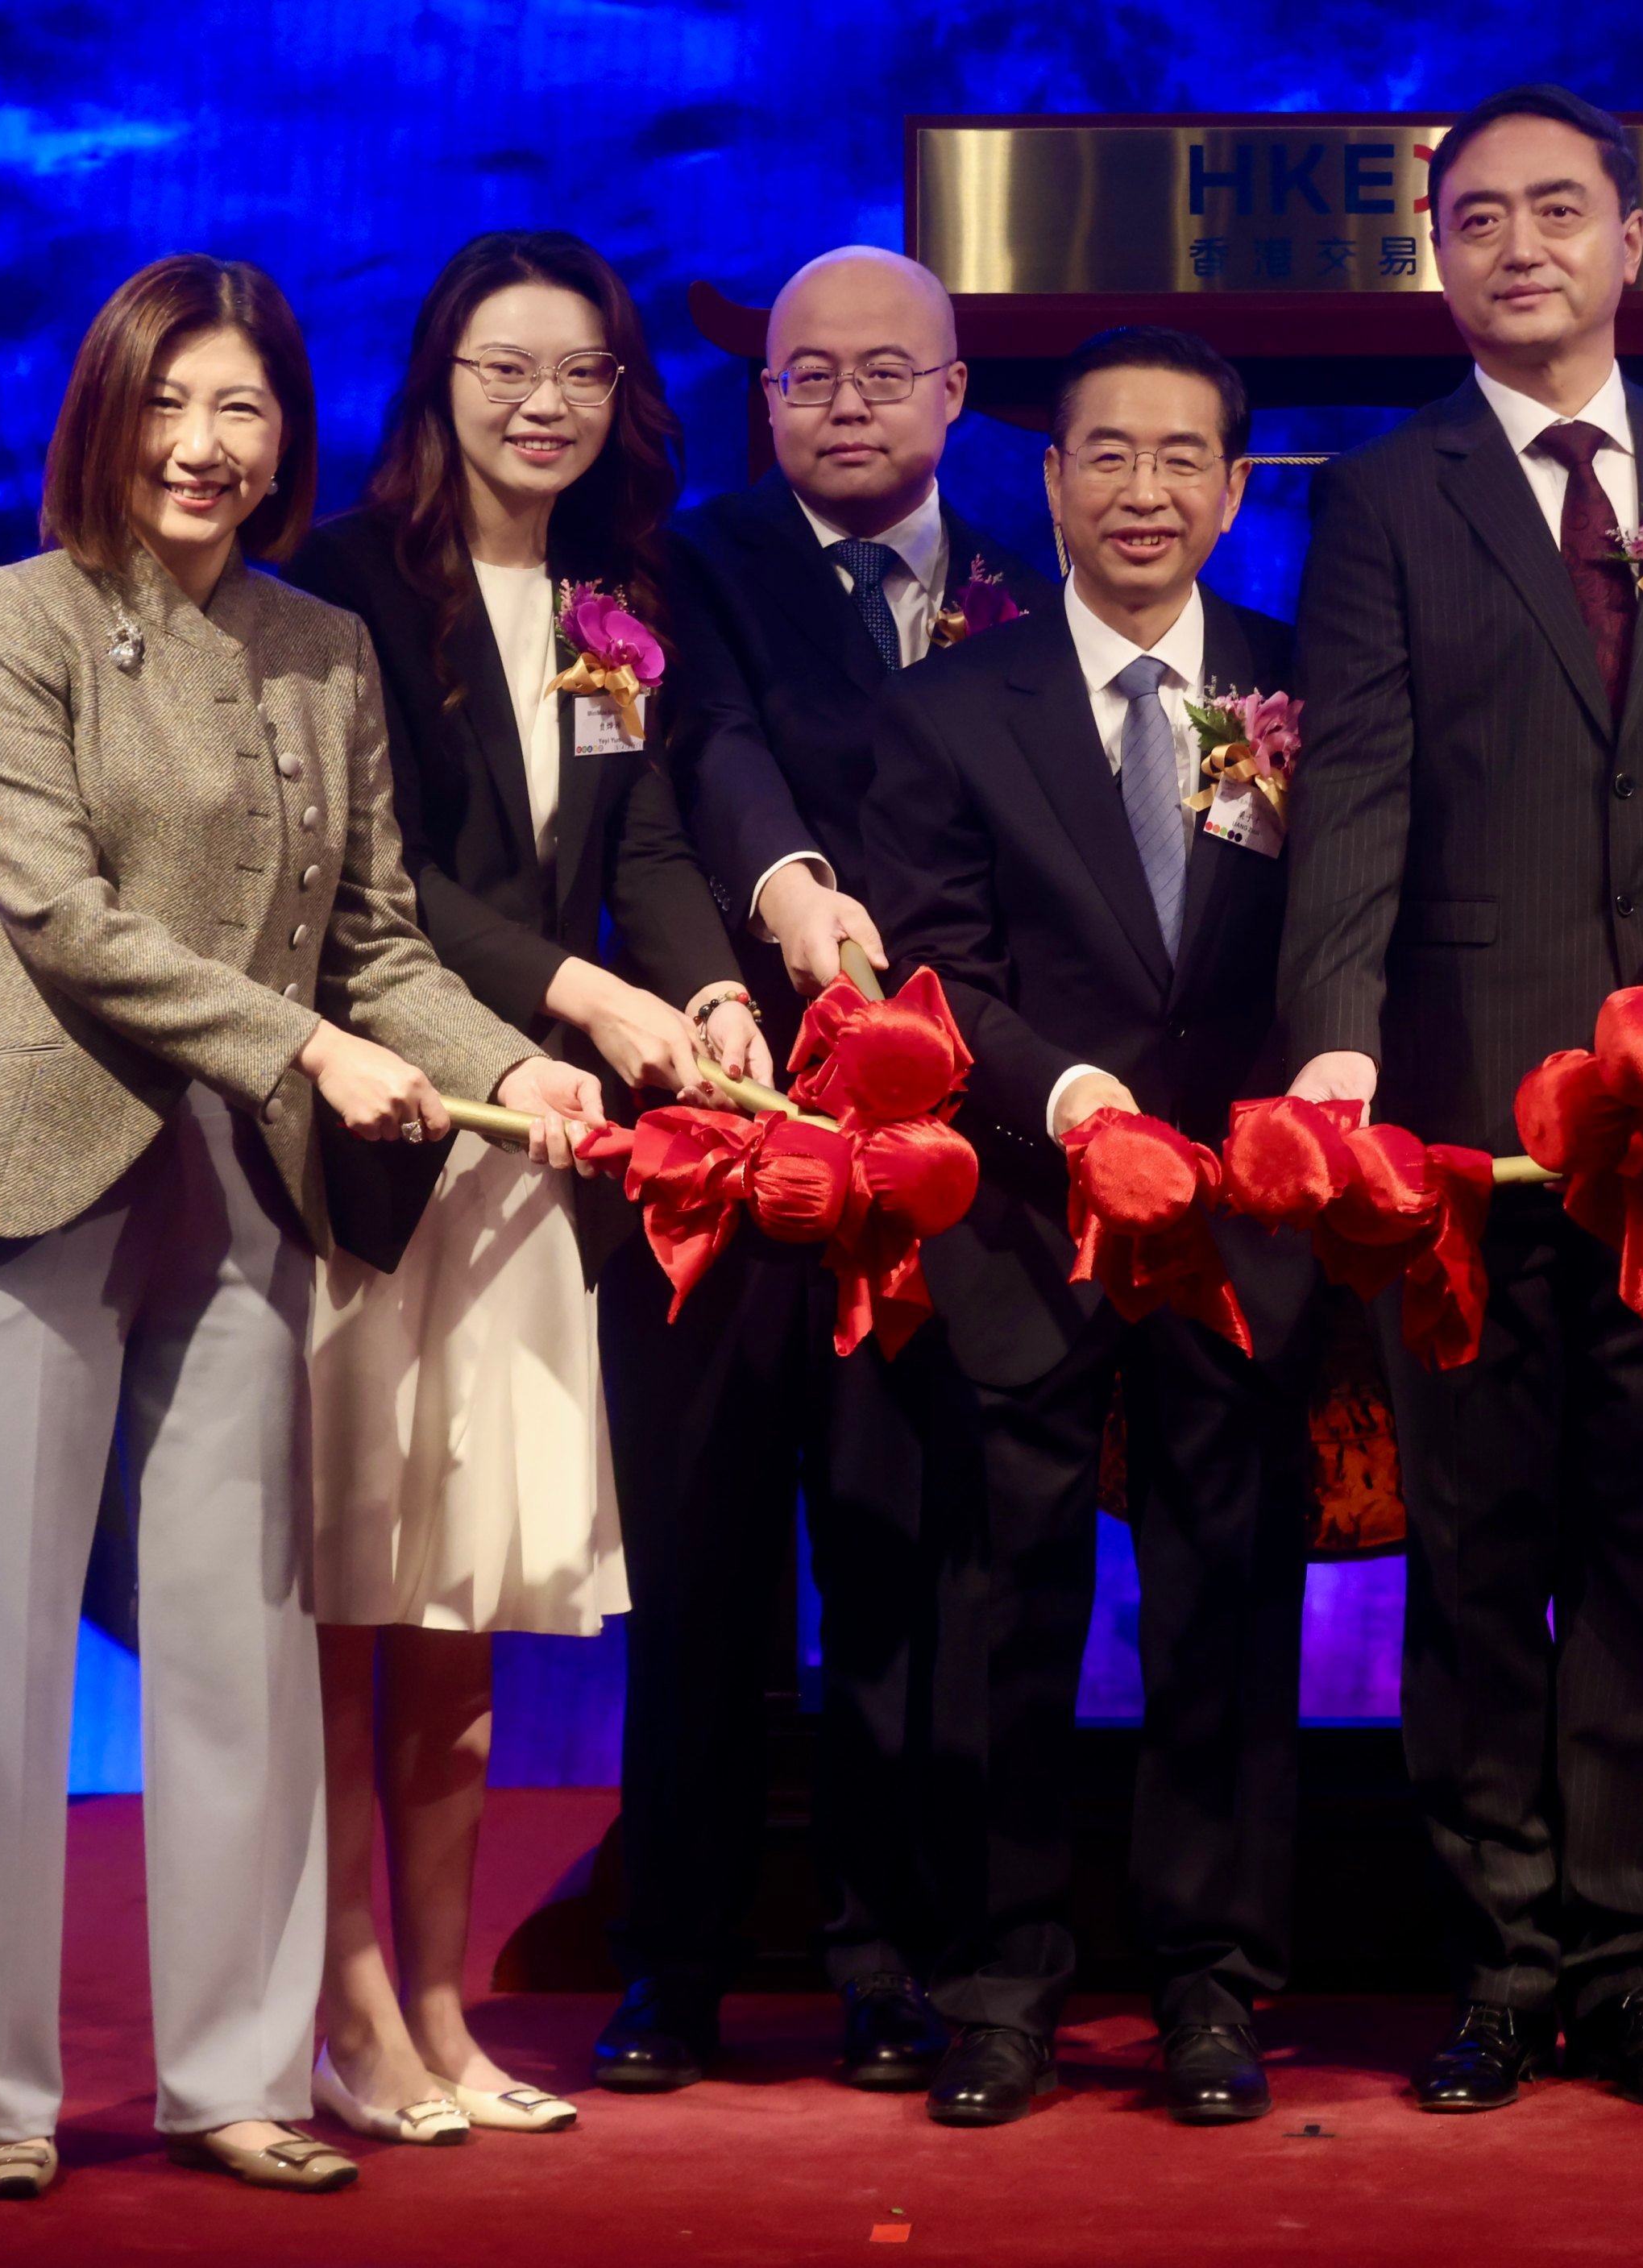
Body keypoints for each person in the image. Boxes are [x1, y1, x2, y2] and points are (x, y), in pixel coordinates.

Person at [0, 254, 603, 2201]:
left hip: (246, 1188)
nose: (205, 445)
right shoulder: (13, 615)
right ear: (103, 418)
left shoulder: (320, 644)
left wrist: (516, 1064)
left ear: (288, 435)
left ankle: (231, 2077)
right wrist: (306, 1046)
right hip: (24, 1164)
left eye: (245, 408)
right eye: (169, 403)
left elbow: (379, 943)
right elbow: (64, 921)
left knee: (245, 1660)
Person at [1276, 85, 1643, 2113]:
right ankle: (1499, 1966)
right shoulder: (1382, 492)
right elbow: (1351, 784)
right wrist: (1332, 1031)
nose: (1518, 246)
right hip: (1462, 1124)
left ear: (1628, 240)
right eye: (1477, 219)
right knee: (1474, 1551)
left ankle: (1626, 1968)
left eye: (1556, 210)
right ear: (1435, 260)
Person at [282, 230, 774, 2148]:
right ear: (438, 377)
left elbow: (638, 843)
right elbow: (378, 881)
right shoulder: (338, 586)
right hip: (382, 1138)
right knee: (354, 1592)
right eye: (506, 366)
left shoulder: (614, 594)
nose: (544, 403)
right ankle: (343, 2009)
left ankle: (439, 2007)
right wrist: (584, 994)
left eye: (581, 370)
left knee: (462, 1599)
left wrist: (702, 984)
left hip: (541, 1159)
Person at [600, 246, 1051, 2093]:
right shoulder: (686, 565)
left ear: (955, 394)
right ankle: (673, 1964)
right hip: (723, 1142)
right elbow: (693, 765)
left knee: (898, 1579)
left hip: (934, 1174)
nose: (845, 402)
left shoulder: (1024, 583)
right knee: (699, 1574)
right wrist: (782, 908)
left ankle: (884, 1960)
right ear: (763, 395)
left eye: (884, 371)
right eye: (808, 375)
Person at [859, 326, 1318, 2129]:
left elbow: (1333, 936)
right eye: (1106, 455)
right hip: (1025, 1218)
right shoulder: (949, 709)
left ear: (1235, 486)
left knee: (1228, 1606)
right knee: (1004, 1610)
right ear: (1047, 481)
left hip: (1236, 1221)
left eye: (1183, 457)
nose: (1144, 491)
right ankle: (1000, 1989)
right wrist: (1068, 1104)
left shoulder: (1302, 686)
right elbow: (936, 968)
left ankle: (1214, 1984)